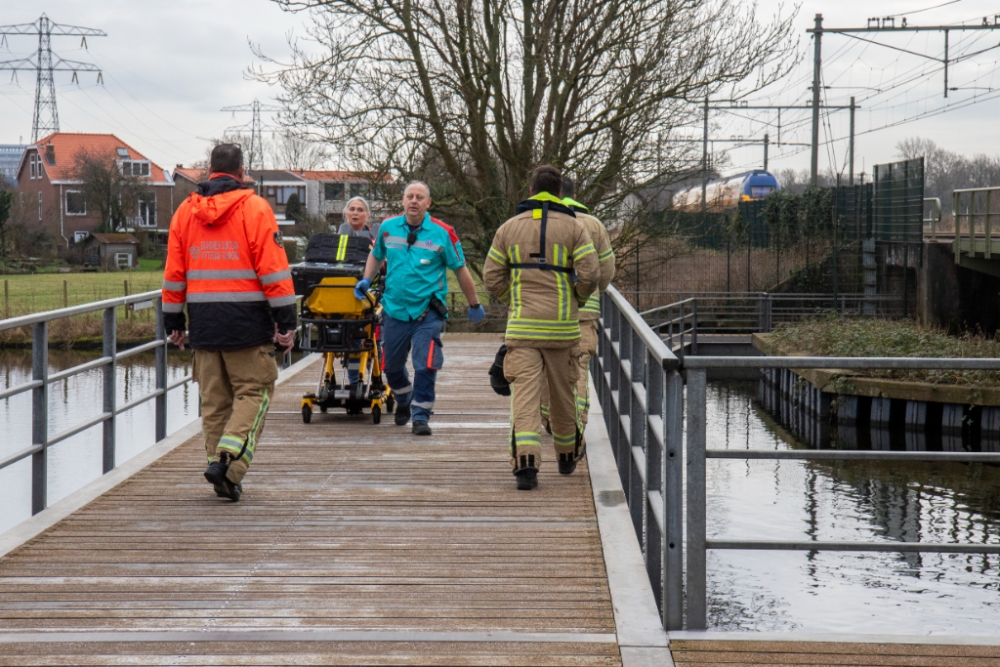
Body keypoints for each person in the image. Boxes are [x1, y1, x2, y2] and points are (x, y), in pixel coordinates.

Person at [162, 144, 296, 502]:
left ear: (209, 170)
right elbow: (274, 270)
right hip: (248, 324)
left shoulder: (185, 212)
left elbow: (174, 274)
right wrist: (287, 320)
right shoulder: (255, 208)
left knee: (215, 401)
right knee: (255, 393)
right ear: (241, 172)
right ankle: (228, 464)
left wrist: (173, 320)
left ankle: (219, 469)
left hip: (203, 325)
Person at [484, 165, 599, 490]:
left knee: (524, 395)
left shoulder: (508, 228)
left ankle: (526, 464)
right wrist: (576, 297)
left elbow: (491, 276)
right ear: (560, 191)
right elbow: (590, 275)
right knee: (563, 395)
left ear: (532, 190)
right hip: (563, 330)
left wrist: (514, 298)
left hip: (522, 329)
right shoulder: (575, 229)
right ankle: (566, 456)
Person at [354, 181, 486, 436]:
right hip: (394, 310)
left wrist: (475, 304)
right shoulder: (388, 228)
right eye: (409, 196)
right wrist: (366, 279)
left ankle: (421, 415)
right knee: (391, 369)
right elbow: (377, 255)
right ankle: (404, 398)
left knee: (425, 364)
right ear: (403, 201)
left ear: (428, 203)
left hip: (428, 312)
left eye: (419, 197)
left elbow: (460, 269)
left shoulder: (443, 233)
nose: (414, 201)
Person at [540, 176, 616, 433]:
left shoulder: (540, 222)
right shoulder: (593, 225)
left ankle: (550, 419)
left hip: (548, 309)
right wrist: (594, 291)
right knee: (579, 366)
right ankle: (576, 425)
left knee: (546, 366)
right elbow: (605, 271)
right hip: (584, 312)